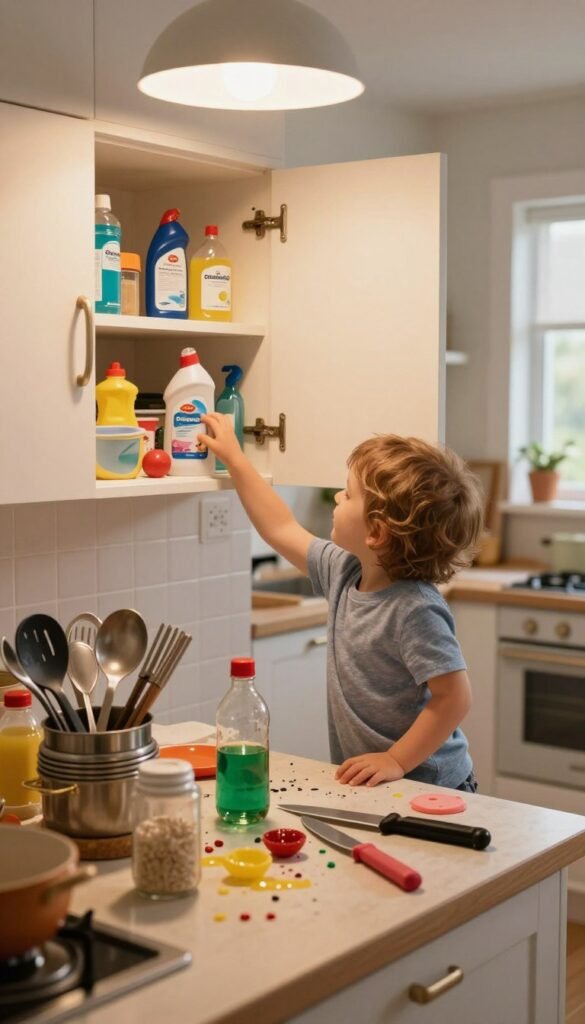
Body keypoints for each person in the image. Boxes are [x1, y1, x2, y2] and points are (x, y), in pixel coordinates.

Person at [199, 415, 484, 790]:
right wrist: (236, 460)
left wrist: (396, 760)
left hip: (429, 784)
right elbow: (280, 528)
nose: (336, 497)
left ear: (377, 532)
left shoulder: (414, 608)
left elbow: (455, 698)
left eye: (348, 495)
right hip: (380, 781)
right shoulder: (345, 571)